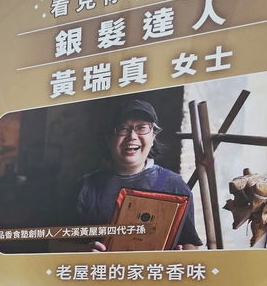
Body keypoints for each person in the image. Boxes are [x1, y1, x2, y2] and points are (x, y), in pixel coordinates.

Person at [73, 99, 203, 251]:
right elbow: (55, 243)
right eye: (123, 128)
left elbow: (190, 243)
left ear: (153, 137)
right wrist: (82, 251)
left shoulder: (173, 185)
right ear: (109, 137)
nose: (132, 136)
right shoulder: (86, 186)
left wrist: (182, 256)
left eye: (142, 128)